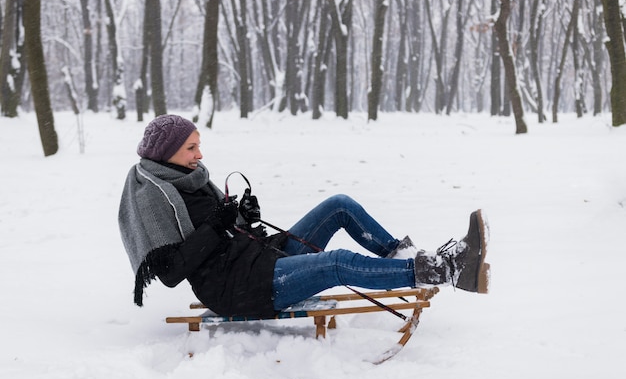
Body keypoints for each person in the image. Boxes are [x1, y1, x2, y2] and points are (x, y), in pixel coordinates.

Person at [119, 115, 490, 317]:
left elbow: (226, 233)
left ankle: (399, 258)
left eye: (199, 145)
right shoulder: (153, 197)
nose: (200, 154)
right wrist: (218, 225)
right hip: (238, 288)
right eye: (191, 147)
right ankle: (443, 270)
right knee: (336, 263)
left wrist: (244, 218)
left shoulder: (192, 179)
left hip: (259, 259)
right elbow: (170, 274)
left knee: (339, 204)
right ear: (167, 152)